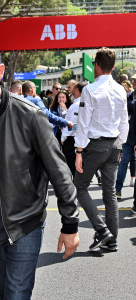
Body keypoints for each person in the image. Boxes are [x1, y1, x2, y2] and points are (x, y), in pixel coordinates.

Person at [0, 38, 79, 300]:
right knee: (0, 293)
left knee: (16, 295)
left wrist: (70, 224)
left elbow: (60, 172)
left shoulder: (30, 115)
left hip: (24, 226)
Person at [74, 48, 129, 252]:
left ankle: (102, 230)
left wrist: (79, 151)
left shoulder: (89, 90)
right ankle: (112, 240)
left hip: (95, 145)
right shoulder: (121, 90)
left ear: (96, 66)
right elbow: (125, 121)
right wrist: (120, 142)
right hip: (115, 144)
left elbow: (83, 123)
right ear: (113, 67)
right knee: (110, 194)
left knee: (79, 186)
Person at [115, 73, 136, 198]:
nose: (134, 82)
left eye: (135, 80)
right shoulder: (127, 96)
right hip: (128, 135)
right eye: (133, 80)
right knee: (123, 163)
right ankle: (118, 189)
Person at [61, 82, 87, 176]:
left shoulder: (77, 105)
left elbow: (72, 125)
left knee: (73, 168)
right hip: (80, 139)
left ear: (77, 90)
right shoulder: (83, 103)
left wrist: (63, 138)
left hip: (72, 140)